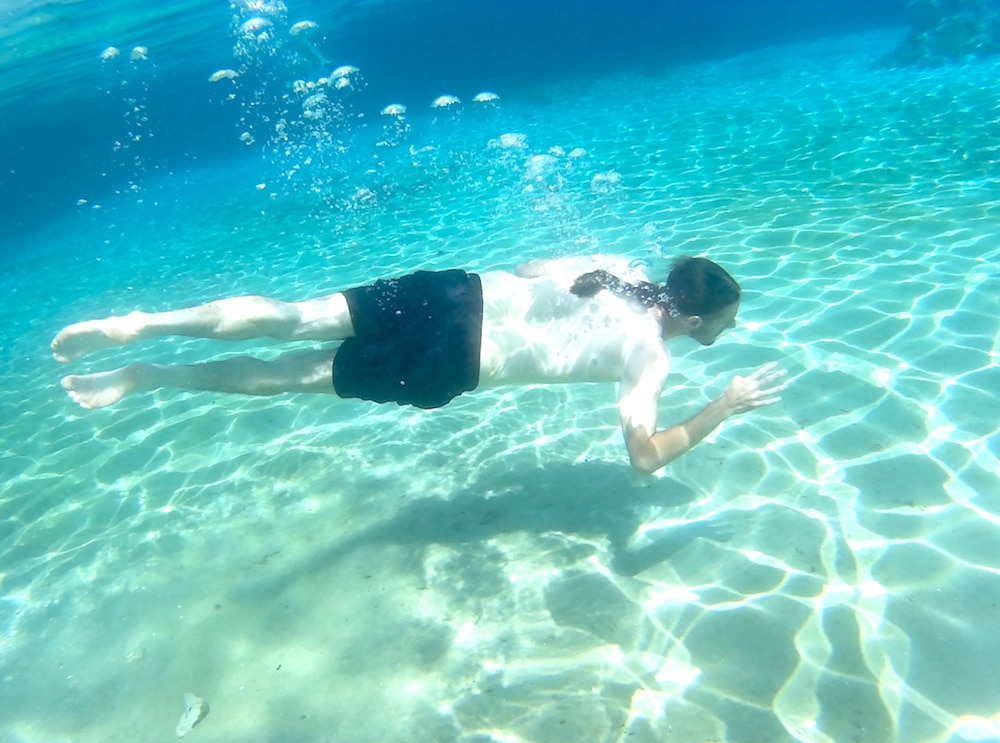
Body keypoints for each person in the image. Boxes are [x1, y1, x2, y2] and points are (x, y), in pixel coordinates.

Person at [52, 255, 786, 474]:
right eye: (726, 322)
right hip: (454, 360)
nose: (730, 330)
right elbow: (645, 457)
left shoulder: (615, 263)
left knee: (294, 314)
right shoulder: (651, 356)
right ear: (692, 318)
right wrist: (723, 404)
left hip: (453, 290)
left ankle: (139, 324)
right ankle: (151, 377)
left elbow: (531, 265)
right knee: (292, 374)